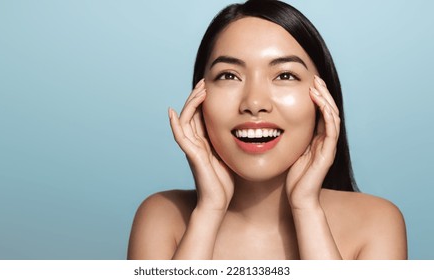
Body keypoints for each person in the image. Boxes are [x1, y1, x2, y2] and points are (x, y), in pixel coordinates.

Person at [127, 0, 407, 260]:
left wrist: (307, 209)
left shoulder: (376, 221)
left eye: (285, 75)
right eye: (228, 75)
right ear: (199, 99)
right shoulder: (162, 216)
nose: (254, 103)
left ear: (324, 100)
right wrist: (209, 211)